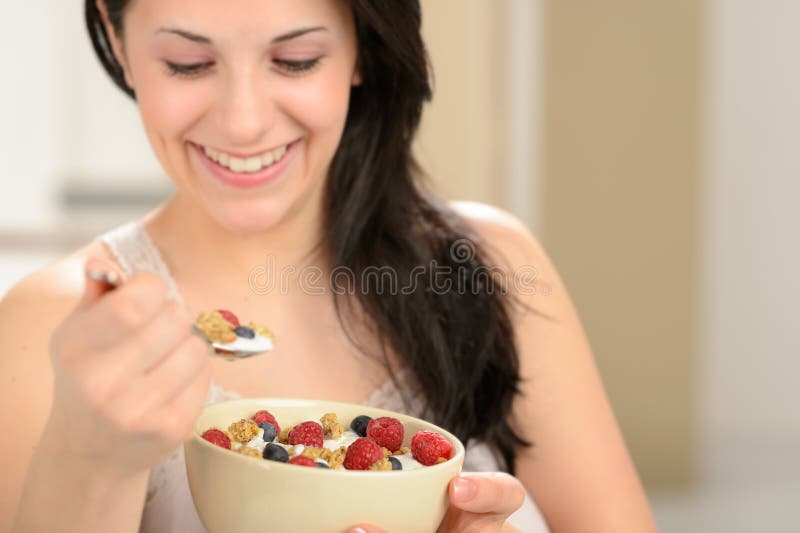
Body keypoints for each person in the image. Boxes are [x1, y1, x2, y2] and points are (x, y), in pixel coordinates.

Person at [0, 1, 657, 531]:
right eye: (189, 63)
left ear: (361, 49)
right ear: (119, 43)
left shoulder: (489, 267)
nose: (244, 121)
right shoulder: (52, 327)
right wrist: (91, 459)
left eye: (295, 60)